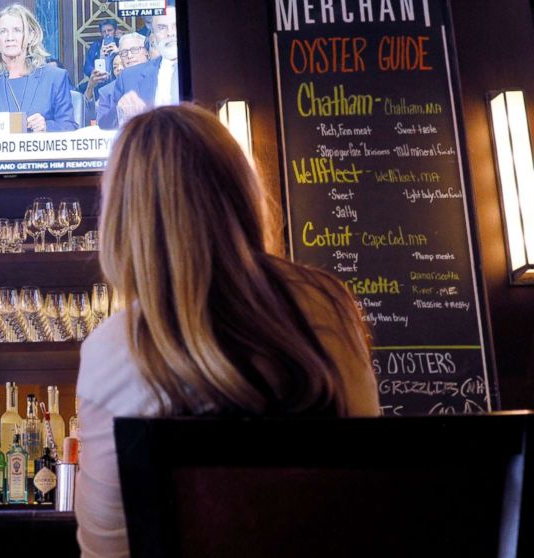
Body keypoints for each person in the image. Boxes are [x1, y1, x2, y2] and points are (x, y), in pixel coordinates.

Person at [74, 104, 380, 557]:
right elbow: (372, 487)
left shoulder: (112, 349)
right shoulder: (327, 306)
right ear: (241, 192)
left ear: (123, 219)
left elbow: (107, 551)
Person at [0, 3, 78, 133]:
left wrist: (46, 126)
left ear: (31, 36)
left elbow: (69, 127)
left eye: (17, 30)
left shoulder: (54, 77)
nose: (10, 38)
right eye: (3, 31)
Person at [96, 7, 179, 129]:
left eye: (175, 25)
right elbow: (106, 125)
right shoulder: (129, 77)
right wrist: (121, 110)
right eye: (162, 28)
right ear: (153, 38)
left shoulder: (207, 70)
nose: (170, 33)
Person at [87, 32, 148, 114]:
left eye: (134, 50)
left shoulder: (163, 79)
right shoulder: (107, 93)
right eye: (124, 52)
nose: (129, 55)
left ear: (147, 51)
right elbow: (102, 122)